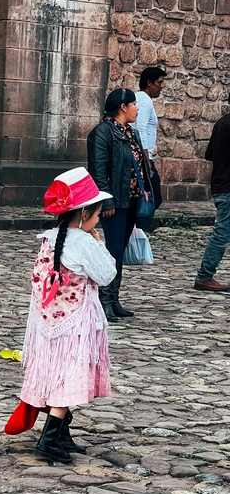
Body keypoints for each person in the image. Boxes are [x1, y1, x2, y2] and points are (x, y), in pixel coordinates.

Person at [4, 168, 116, 463]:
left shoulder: (50, 238)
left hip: (47, 323)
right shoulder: (83, 244)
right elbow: (106, 275)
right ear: (84, 214)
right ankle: (50, 439)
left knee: (55, 374)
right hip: (75, 324)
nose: (98, 220)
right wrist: (98, 241)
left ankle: (62, 434)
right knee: (68, 377)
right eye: (96, 215)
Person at [87, 88, 153, 322]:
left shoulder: (131, 134)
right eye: (134, 104)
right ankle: (104, 299)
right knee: (112, 251)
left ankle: (114, 299)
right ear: (123, 107)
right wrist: (106, 200)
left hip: (133, 200)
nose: (137, 108)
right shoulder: (102, 133)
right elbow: (98, 171)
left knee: (120, 251)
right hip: (115, 202)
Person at [194, 108, 230, 292]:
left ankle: (205, 275)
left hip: (221, 185)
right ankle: (204, 276)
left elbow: (210, 154)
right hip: (227, 187)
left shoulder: (221, 123)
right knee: (222, 233)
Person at [131, 67, 166, 209]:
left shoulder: (139, 98)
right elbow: (140, 129)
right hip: (143, 156)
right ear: (149, 83)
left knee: (142, 197)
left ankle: (135, 228)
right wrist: (146, 160)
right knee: (153, 197)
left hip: (139, 155)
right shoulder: (145, 100)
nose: (162, 86)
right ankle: (136, 227)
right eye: (159, 82)